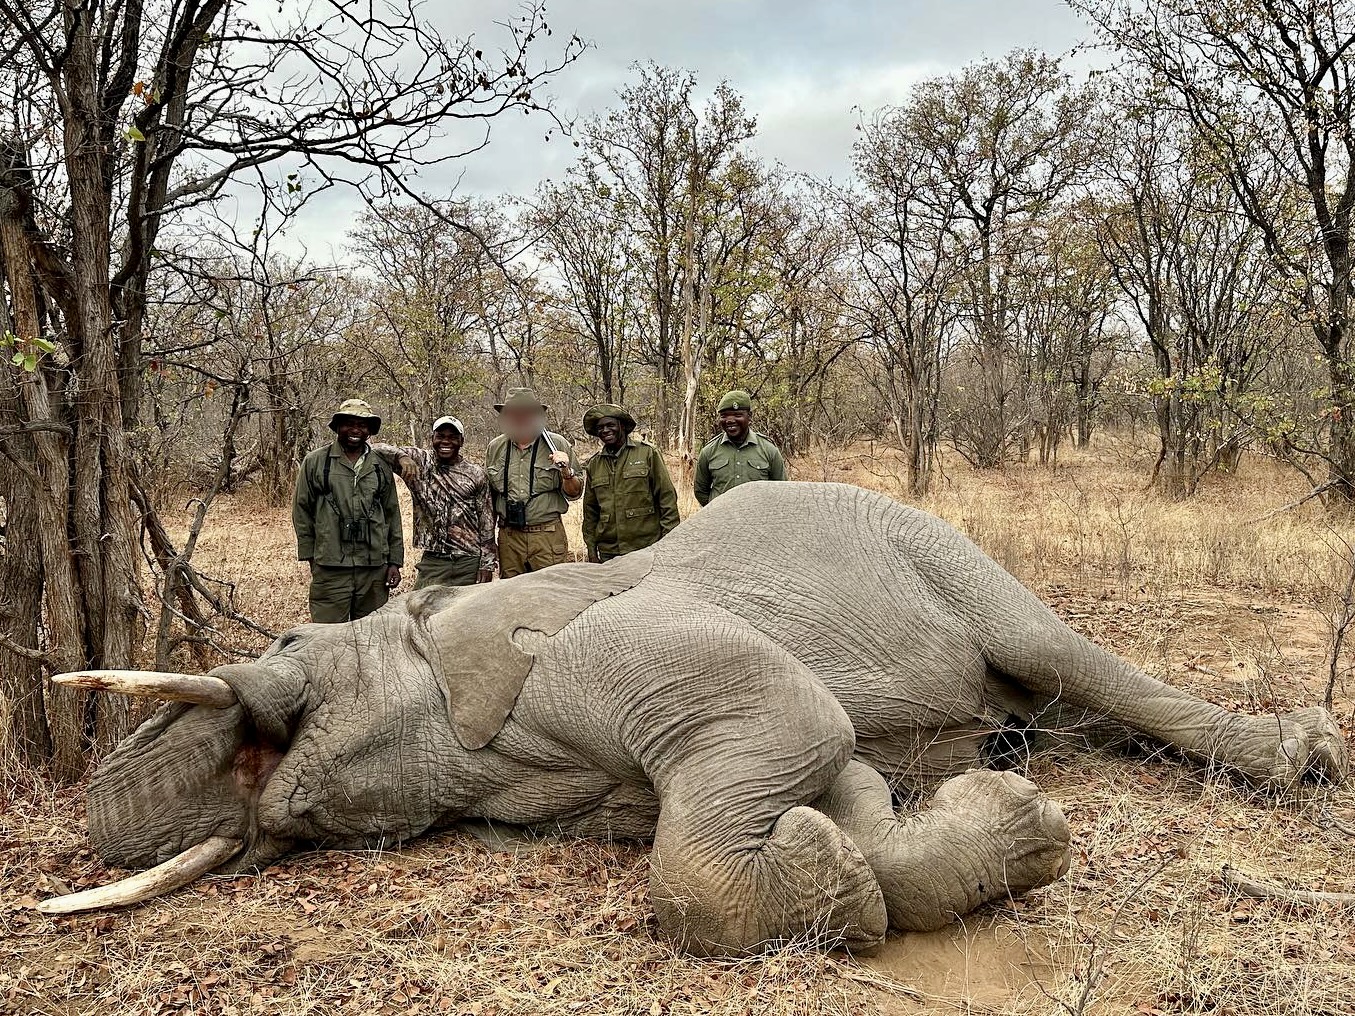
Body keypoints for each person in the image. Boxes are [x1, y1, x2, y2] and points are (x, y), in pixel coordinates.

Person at [293, 398, 404, 622]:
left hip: (373, 567)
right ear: (337, 427)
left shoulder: (380, 465)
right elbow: (301, 510)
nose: (355, 430)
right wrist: (312, 557)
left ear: (369, 430)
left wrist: (394, 561)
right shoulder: (316, 462)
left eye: (362, 425)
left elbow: (392, 514)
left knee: (372, 633)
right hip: (330, 567)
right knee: (328, 634)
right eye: (349, 424)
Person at [372, 415, 496, 589]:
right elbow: (374, 449)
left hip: (468, 560)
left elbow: (487, 522)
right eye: (440, 436)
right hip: (433, 559)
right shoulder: (419, 461)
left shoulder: (475, 474)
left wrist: (487, 565)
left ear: (461, 441)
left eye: (452, 437)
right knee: (420, 603)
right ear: (432, 438)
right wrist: (401, 456)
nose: (446, 441)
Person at [485, 388, 583, 577]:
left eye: (526, 413)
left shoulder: (557, 444)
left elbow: (575, 493)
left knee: (550, 589)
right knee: (511, 592)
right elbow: (490, 497)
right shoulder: (495, 447)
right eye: (513, 413)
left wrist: (566, 472)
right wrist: (489, 543)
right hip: (509, 538)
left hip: (546, 535)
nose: (520, 418)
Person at [580, 403, 680, 563]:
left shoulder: (647, 453)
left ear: (622, 426)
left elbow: (667, 498)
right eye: (600, 427)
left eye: (610, 425)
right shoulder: (594, 464)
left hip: (646, 547)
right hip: (609, 551)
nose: (605, 430)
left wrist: (668, 541)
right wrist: (591, 549)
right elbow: (590, 511)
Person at [694, 389, 787, 507]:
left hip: (757, 516)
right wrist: (717, 509)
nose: (730, 421)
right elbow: (700, 491)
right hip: (721, 517)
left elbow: (782, 490)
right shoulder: (708, 451)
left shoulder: (769, 450)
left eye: (737, 415)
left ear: (749, 416)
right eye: (724, 416)